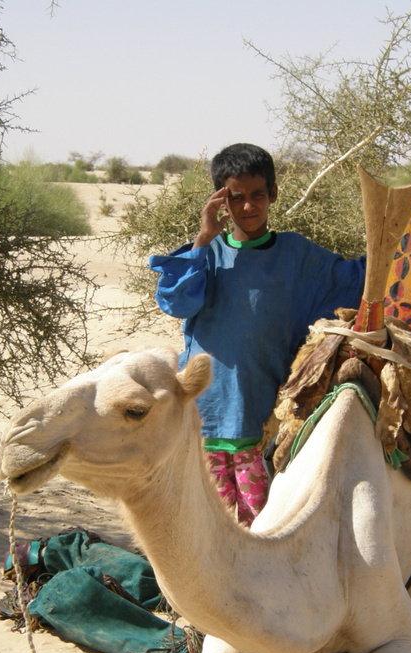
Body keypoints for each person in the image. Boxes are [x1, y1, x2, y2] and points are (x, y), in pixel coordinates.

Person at [149, 143, 365, 525]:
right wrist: (203, 237)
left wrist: (402, 234)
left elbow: (353, 280)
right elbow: (176, 302)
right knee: (208, 529)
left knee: (263, 526)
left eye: (257, 195)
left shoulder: (297, 257)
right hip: (203, 420)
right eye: (236, 198)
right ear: (220, 200)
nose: (248, 207)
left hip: (263, 423)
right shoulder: (207, 254)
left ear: (273, 194)